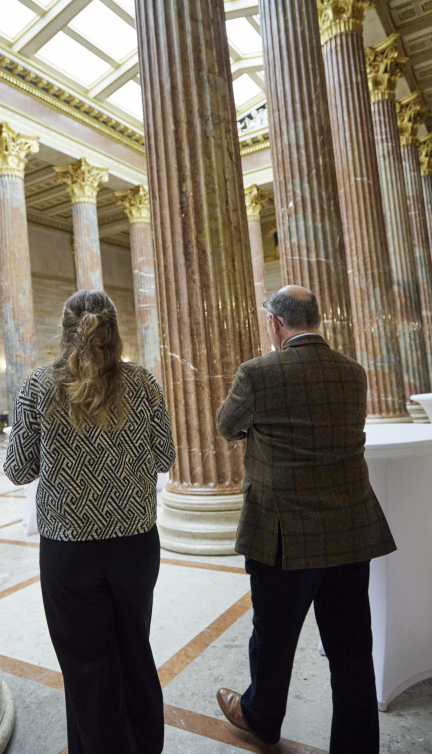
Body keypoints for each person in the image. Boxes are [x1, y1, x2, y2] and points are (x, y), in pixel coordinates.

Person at [215, 285, 396, 754]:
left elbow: (224, 423)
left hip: (283, 534)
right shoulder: (353, 373)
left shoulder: (257, 373)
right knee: (351, 650)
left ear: (275, 324)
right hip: (348, 530)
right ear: (318, 319)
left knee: (273, 638)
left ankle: (261, 718)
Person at [4, 290, 176, 754]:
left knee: (86, 665)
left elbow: (19, 469)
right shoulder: (142, 382)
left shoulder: (39, 386)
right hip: (136, 544)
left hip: (69, 548)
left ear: (65, 329)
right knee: (134, 650)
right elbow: (165, 456)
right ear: (114, 330)